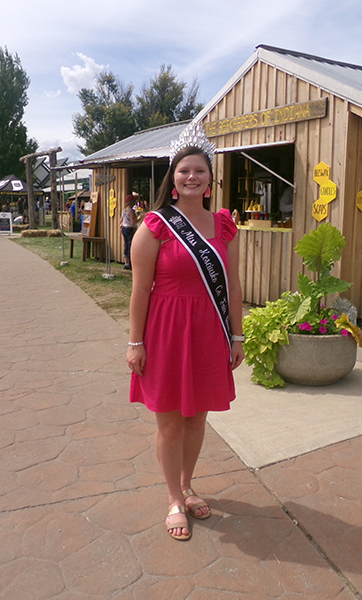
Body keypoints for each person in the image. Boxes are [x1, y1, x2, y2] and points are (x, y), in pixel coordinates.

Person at [127, 124, 244, 541]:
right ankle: (174, 498)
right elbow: (140, 289)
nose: (191, 177)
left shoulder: (224, 225)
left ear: (210, 180)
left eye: (199, 171)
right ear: (172, 180)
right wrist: (135, 342)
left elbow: (231, 284)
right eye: (183, 171)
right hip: (166, 332)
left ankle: (189, 484)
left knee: (197, 419)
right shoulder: (156, 225)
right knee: (171, 423)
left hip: (209, 330)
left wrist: (238, 335)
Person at [120, 194, 138, 270]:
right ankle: (131, 263)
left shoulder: (124, 210)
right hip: (130, 228)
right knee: (130, 245)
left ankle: (126, 263)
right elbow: (132, 222)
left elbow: (121, 220)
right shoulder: (131, 211)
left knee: (126, 245)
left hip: (124, 228)